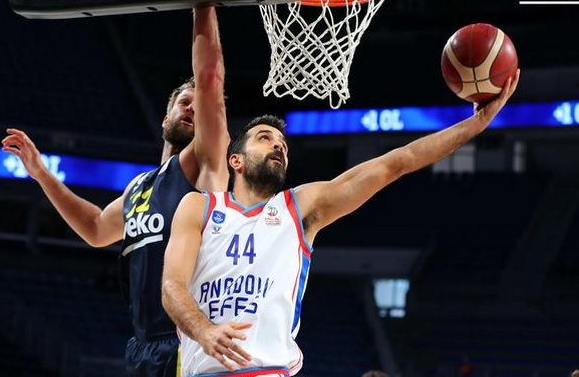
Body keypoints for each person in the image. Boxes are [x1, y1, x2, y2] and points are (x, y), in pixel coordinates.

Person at [161, 71, 520, 377]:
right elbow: (172, 286)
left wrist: (475, 125)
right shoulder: (199, 207)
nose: (279, 147)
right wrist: (205, 332)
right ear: (235, 161)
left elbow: (397, 163)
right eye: (265, 138)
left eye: (283, 144)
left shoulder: (300, 207)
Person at [1, 6, 229, 377]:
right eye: (182, 102)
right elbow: (95, 228)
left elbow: (210, 78)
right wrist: (41, 174)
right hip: (143, 345)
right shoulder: (140, 186)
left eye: (197, 103)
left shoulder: (205, 163)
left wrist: (201, 3)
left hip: (188, 337)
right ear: (165, 120)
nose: (191, 107)